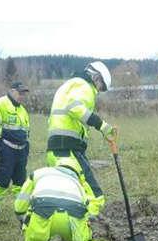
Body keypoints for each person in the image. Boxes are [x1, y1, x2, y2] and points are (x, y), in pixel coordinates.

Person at [46, 61, 115, 217]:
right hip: (69, 150)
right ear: (96, 77)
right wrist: (101, 125)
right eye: (101, 87)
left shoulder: (68, 86)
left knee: (67, 196)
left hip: (55, 149)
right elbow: (74, 107)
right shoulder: (84, 87)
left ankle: (68, 235)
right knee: (95, 198)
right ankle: (88, 234)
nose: (99, 91)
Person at [0, 82, 30, 218]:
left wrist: (26, 148)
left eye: (24, 93)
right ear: (12, 91)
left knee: (20, 183)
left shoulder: (23, 110)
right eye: (20, 93)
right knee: (2, 181)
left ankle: (21, 211)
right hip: (7, 150)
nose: (22, 96)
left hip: (21, 151)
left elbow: (27, 132)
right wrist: (0, 146)